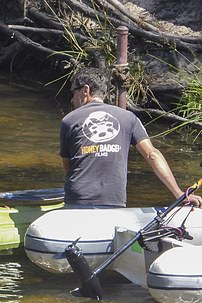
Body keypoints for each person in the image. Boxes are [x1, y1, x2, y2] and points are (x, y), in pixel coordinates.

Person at [60, 67, 202, 208]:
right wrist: (179, 194)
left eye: (73, 92)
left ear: (85, 90)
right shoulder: (128, 118)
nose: (72, 99)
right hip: (114, 199)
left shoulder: (69, 120)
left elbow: (69, 167)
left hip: (78, 200)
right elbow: (152, 155)